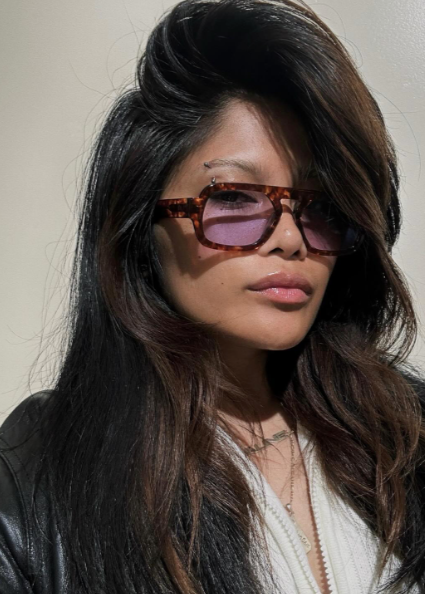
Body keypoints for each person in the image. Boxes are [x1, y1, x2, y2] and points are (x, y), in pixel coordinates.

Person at [1, 0, 425, 592]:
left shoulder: (403, 429)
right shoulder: (36, 481)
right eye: (231, 199)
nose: (290, 239)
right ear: (141, 226)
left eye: (323, 208)